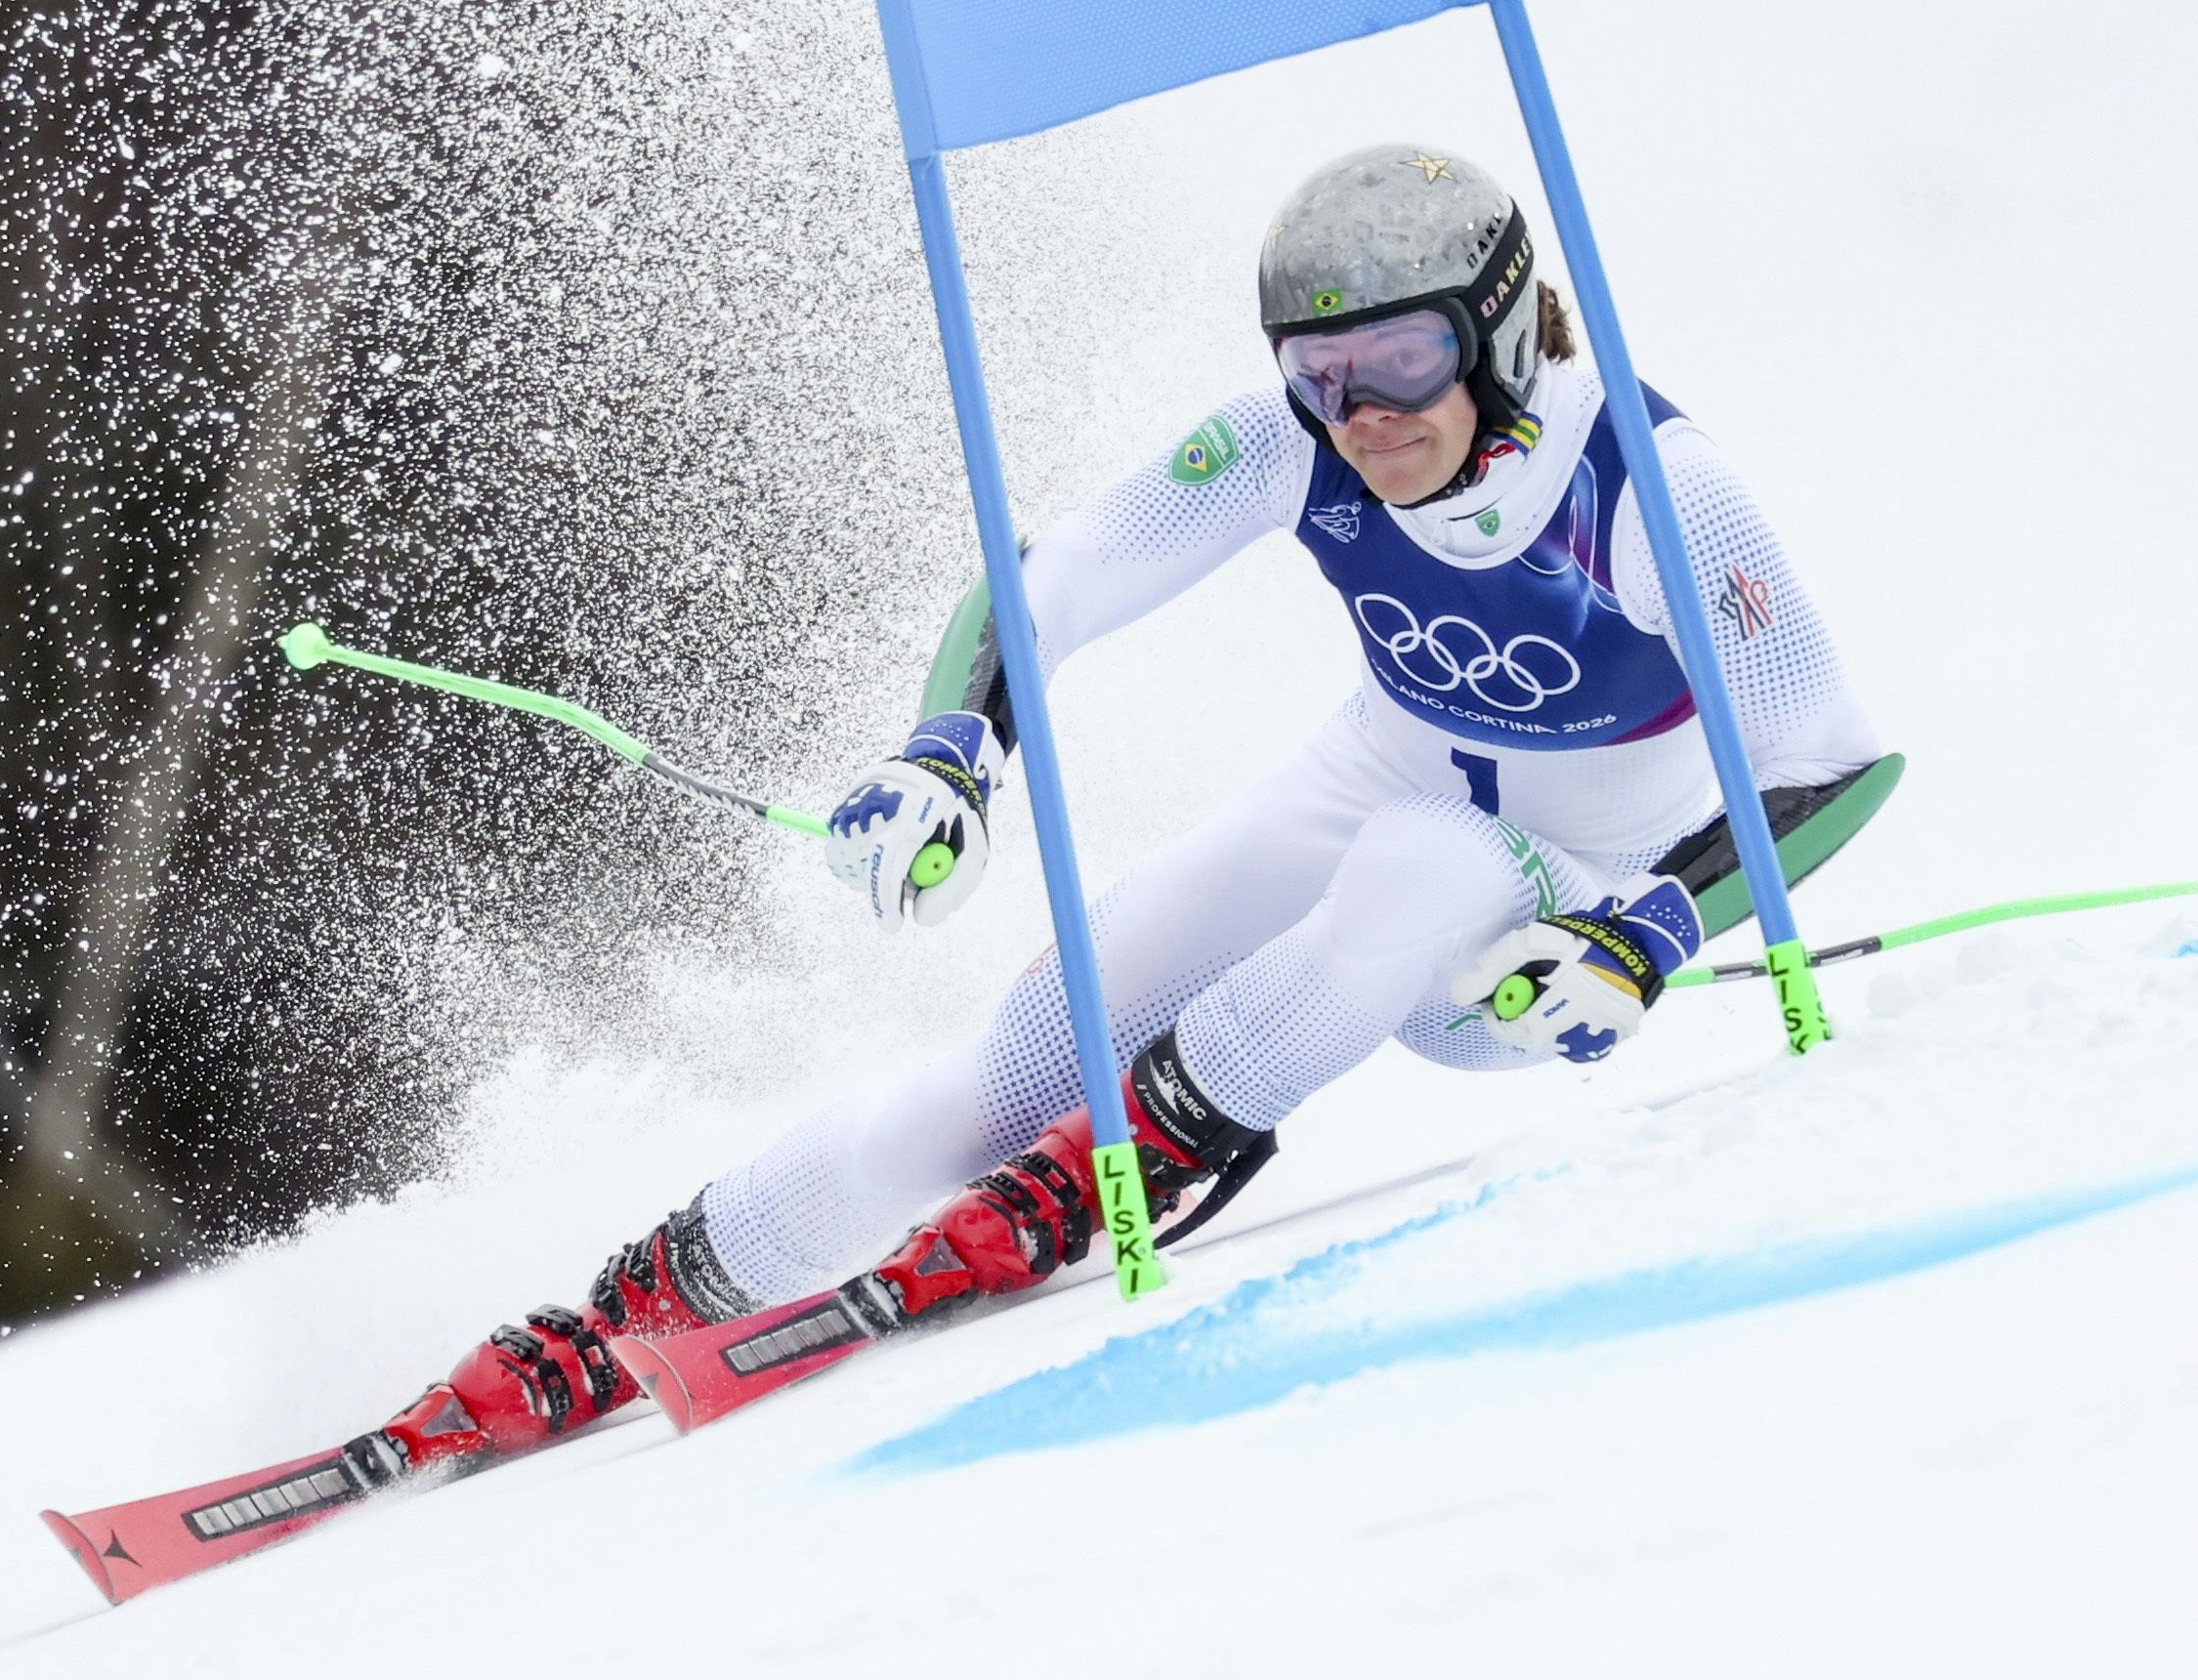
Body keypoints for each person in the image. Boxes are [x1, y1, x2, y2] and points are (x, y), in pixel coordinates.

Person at [348, 146, 1888, 1482]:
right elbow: (1060, 575)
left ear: (1497, 320)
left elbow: (1829, 762)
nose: (1361, 411)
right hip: (1376, 776)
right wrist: (955, 741)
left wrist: (1649, 926)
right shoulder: (1301, 436)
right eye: (1320, 371)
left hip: (1546, 922)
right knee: (1013, 1066)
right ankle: (645, 1300)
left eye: (1405, 358)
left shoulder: (1643, 480)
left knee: (1422, 866)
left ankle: (1125, 1160)